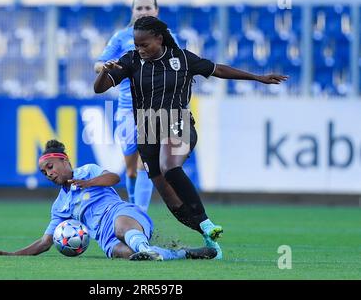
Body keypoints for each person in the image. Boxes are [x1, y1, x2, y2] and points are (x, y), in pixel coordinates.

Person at [93, 16, 289, 259]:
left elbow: (218, 69)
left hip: (178, 122)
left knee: (170, 167)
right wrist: (105, 71)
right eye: (136, 45)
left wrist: (257, 77)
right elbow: (99, 88)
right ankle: (210, 242)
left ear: (159, 39)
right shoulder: (131, 60)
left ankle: (206, 223)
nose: (140, 49)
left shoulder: (182, 58)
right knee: (174, 203)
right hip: (147, 131)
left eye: (144, 44)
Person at [0, 139, 217, 261]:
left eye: (50, 167)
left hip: (124, 215)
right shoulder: (60, 206)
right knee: (125, 254)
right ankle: (181, 254)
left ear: (64, 161)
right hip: (104, 238)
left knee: (121, 228)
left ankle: (146, 248)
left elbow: (113, 177)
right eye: (44, 172)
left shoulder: (87, 171)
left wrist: (88, 183)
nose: (48, 173)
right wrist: (11, 255)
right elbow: (45, 242)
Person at [94, 0, 172, 212]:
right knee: (131, 170)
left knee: (145, 165)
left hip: (155, 111)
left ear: (156, 11)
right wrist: (108, 66)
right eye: (139, 8)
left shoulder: (168, 37)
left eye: (148, 8)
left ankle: (139, 216)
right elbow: (98, 65)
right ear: (133, 11)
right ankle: (133, 206)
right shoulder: (121, 37)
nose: (144, 12)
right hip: (128, 110)